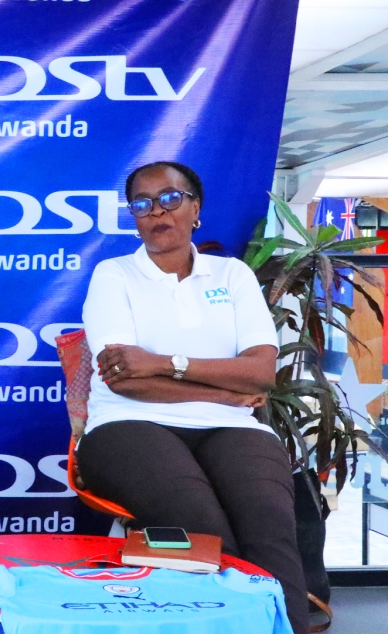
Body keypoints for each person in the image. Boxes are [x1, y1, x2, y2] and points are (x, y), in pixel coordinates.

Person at [76, 161, 308, 634]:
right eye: (142, 204)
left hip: (232, 426)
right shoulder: (114, 275)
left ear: (195, 209)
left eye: (170, 199)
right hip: (127, 424)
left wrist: (165, 362)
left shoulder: (233, 275)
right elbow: (124, 380)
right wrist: (225, 390)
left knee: (270, 528)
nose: (156, 212)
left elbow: (262, 373)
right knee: (206, 535)